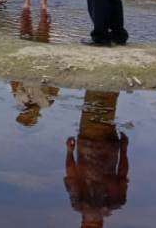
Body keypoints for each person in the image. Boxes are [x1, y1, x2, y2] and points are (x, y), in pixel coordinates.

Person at [64, 91, 129, 227]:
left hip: (107, 145)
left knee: (107, 107)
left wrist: (123, 149)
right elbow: (72, 176)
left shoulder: (115, 202)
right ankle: (104, 83)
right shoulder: (79, 204)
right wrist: (69, 152)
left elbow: (122, 174)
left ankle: (110, 84)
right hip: (88, 141)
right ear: (82, 224)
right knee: (94, 102)